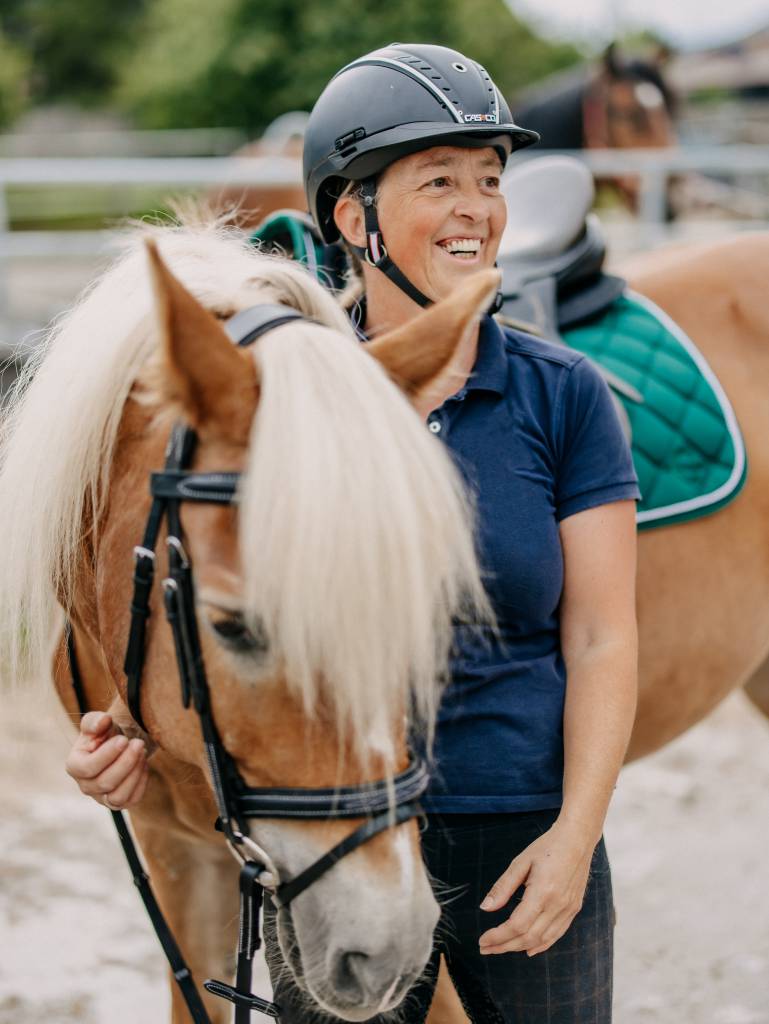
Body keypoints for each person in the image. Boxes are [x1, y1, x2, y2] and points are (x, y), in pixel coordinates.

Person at [66, 43, 640, 1024]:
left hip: (521, 828)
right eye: (439, 180)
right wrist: (128, 737)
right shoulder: (285, 400)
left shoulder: (564, 395)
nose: (475, 207)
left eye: (490, 180)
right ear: (351, 215)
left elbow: (600, 636)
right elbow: (231, 609)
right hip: (339, 831)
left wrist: (574, 838)